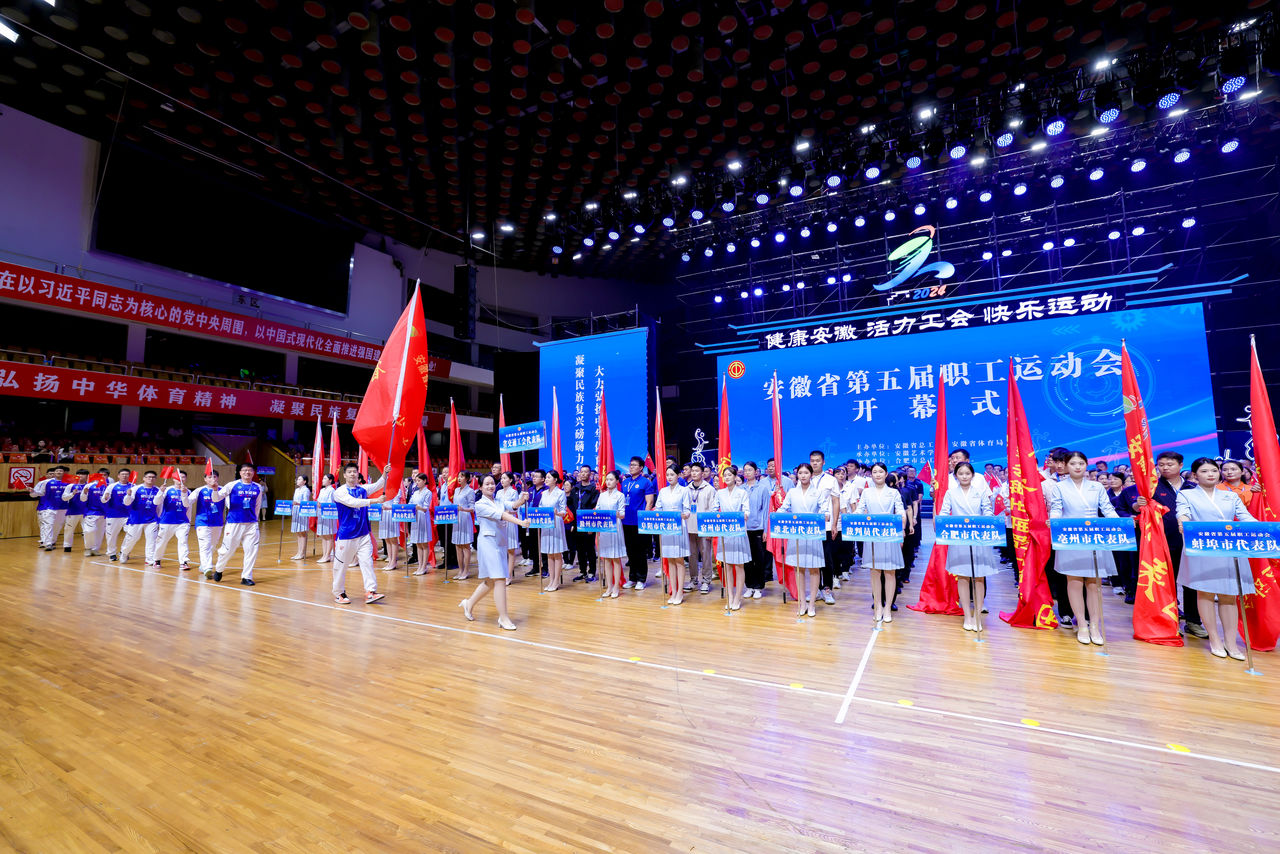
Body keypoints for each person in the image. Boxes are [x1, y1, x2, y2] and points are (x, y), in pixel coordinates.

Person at [1176, 457, 1257, 660]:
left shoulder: (1229, 495)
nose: (1210, 474)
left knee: (1229, 595)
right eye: (1204, 471)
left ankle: (1231, 643)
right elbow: (1183, 514)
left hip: (1229, 548)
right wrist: (1183, 523)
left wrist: (1263, 528)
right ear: (1195, 475)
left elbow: (1245, 517)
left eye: (1213, 470)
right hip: (1203, 548)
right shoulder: (1186, 494)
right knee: (1205, 594)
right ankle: (1214, 639)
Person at [1122, 451, 1205, 638]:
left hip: (1190, 542)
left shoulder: (1193, 487)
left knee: (1191, 583)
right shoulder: (1151, 487)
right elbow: (1137, 507)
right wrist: (1138, 504)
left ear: (1181, 465)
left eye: (1170, 464)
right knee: (1166, 583)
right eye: (1161, 465)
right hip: (1163, 543)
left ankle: (1193, 621)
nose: (1165, 468)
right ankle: (1169, 622)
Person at [1049, 451, 1120, 646]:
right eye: (1073, 463)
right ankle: (1081, 624)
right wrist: (1054, 522)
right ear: (1066, 466)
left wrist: (1118, 523)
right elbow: (1056, 509)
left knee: (1093, 584)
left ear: (1086, 465)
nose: (1077, 467)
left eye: (1081, 463)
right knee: (1074, 582)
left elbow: (1107, 509)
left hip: (1094, 537)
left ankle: (1094, 625)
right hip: (1071, 537)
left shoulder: (1096, 486)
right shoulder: (1059, 487)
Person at [460, 474, 531, 630]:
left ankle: (469, 603)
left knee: (490, 581)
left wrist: (522, 499)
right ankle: (503, 618)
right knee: (499, 579)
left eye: (492, 483)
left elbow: (512, 505)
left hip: (500, 543)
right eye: (487, 484)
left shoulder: (498, 500)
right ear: (480, 487)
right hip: (488, 544)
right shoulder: (480, 504)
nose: (491, 486)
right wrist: (520, 522)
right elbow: (502, 515)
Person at [937, 462, 1000, 633]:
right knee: (963, 577)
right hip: (959, 539)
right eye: (961, 473)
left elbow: (988, 512)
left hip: (979, 539)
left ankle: (978, 615)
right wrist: (940, 521)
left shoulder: (980, 492)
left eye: (967, 473)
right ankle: (967, 616)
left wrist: (987, 521)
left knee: (979, 577)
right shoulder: (950, 493)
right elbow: (944, 512)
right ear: (956, 476)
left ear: (972, 475)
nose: (964, 476)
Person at [855, 463, 910, 623]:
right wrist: (852, 517)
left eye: (881, 471)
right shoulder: (866, 492)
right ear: (871, 474)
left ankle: (887, 608)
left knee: (890, 572)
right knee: (875, 571)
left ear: (886, 474)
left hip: (890, 535)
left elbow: (900, 511)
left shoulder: (893, 492)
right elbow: (860, 510)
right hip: (872, 536)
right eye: (874, 472)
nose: (878, 474)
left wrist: (902, 524)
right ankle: (878, 606)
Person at [330, 463, 388, 604]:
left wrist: (385, 473)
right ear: (344, 475)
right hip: (346, 535)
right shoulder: (339, 492)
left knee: (367, 563)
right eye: (349, 472)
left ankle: (370, 591)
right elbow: (353, 502)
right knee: (341, 566)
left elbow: (378, 485)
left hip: (363, 534)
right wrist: (375, 500)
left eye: (354, 471)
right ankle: (339, 593)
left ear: (358, 474)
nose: (352, 474)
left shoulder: (362, 489)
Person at [779, 463, 826, 618]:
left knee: (814, 569)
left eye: (806, 473)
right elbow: (784, 508)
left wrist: (825, 516)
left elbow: (825, 510)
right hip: (797, 534)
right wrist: (777, 514)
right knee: (799, 568)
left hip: (813, 534)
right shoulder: (792, 492)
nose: (803, 475)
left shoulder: (817, 492)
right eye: (800, 473)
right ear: (797, 475)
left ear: (811, 474)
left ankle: (811, 604)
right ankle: (802, 603)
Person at [214, 464, 265, 585]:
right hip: (234, 523)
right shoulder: (232, 485)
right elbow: (216, 499)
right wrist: (215, 490)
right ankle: (219, 569)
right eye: (245, 470)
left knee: (251, 550)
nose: (247, 472)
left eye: (250, 470)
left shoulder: (258, 487)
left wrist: (255, 520)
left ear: (253, 473)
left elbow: (257, 505)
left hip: (251, 524)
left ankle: (246, 577)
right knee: (227, 550)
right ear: (240, 472)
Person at [713, 465, 751, 611]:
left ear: (735, 477)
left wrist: (744, 515)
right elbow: (714, 510)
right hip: (725, 533)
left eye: (730, 475)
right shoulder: (720, 493)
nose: (727, 477)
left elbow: (746, 511)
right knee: (727, 565)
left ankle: (737, 598)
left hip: (738, 532)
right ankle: (730, 596)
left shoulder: (742, 493)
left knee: (739, 566)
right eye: (725, 475)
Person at [654, 464, 692, 604]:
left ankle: (680, 592)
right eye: (667, 475)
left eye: (672, 474)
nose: (669, 477)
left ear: (678, 475)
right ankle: (674, 591)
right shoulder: (663, 491)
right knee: (670, 560)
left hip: (679, 527)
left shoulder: (684, 490)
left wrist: (681, 515)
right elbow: (658, 508)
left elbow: (687, 511)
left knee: (679, 561)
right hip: (666, 528)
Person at [808, 450, 841, 606]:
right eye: (812, 460)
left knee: (827, 558)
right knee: (813, 558)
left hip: (826, 525)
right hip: (809, 527)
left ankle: (827, 589)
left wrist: (834, 524)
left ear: (823, 462)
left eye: (817, 460)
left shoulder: (830, 480)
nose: (815, 463)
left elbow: (835, 501)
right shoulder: (805, 478)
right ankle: (815, 590)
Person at [620, 456, 657, 590]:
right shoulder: (625, 482)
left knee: (640, 551)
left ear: (641, 468)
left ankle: (641, 579)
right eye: (630, 465)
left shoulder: (646, 482)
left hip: (639, 521)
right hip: (626, 521)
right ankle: (632, 578)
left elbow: (649, 502)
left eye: (634, 465)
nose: (631, 467)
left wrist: (644, 518)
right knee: (630, 550)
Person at [187, 468, 226, 579]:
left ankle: (203, 565)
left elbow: (229, 504)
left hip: (217, 522)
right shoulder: (199, 490)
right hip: (202, 522)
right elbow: (188, 502)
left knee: (212, 545)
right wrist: (184, 495)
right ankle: (207, 568)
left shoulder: (223, 490)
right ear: (205, 479)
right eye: (209, 477)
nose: (212, 479)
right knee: (205, 545)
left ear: (218, 478)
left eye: (214, 476)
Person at [595, 470, 628, 598]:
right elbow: (597, 510)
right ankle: (609, 586)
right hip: (604, 528)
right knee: (606, 559)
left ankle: (616, 587)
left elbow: (622, 514)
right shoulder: (602, 495)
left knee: (615, 558)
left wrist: (613, 513)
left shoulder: (620, 495)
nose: (608, 482)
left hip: (615, 528)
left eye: (611, 479)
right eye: (607, 479)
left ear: (617, 481)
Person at [741, 461, 771, 599]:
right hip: (744, 529)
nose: (747, 472)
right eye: (745, 470)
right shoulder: (741, 489)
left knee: (759, 559)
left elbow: (766, 510)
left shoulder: (762, 488)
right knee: (746, 559)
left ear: (756, 471)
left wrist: (765, 530)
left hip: (758, 528)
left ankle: (758, 587)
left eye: (750, 470)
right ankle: (749, 586)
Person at [1105, 472, 1136, 604]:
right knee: (1125, 561)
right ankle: (1127, 588)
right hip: (1122, 532)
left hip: (1142, 532)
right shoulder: (1121, 495)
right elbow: (1119, 510)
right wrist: (1128, 517)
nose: (1132, 483)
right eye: (1130, 480)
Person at [684, 462, 715, 593]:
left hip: (704, 528)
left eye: (697, 471)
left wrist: (710, 530)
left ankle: (706, 581)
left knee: (706, 555)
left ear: (702, 473)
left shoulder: (709, 489)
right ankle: (693, 580)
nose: (694, 473)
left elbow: (712, 510)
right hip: (689, 526)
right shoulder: (686, 489)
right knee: (692, 555)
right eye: (692, 471)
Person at [153, 471, 192, 570]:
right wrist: (160, 492)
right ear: (174, 479)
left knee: (183, 541)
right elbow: (156, 502)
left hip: (182, 522)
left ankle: (183, 562)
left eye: (183, 477)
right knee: (161, 542)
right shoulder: (167, 490)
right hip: (167, 521)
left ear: (186, 479)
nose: (180, 479)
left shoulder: (188, 491)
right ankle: (157, 560)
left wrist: (184, 494)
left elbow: (187, 505)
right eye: (178, 477)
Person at [119, 471, 161, 567]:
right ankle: (124, 553)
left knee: (152, 539)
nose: (151, 479)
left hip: (151, 519)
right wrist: (128, 495)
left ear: (155, 479)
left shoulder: (158, 490)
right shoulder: (135, 489)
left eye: (153, 477)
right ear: (144, 478)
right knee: (132, 539)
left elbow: (159, 505)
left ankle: (149, 559)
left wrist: (158, 517)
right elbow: (126, 503)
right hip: (136, 519)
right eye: (149, 477)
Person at [538, 470, 570, 591]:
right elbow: (540, 508)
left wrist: (557, 513)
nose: (546, 479)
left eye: (549, 477)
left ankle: (556, 581)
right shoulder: (544, 493)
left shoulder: (560, 493)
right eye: (546, 477)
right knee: (549, 553)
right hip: (546, 523)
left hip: (556, 522)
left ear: (555, 480)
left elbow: (563, 511)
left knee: (556, 553)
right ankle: (551, 580)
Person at [568, 465, 599, 583]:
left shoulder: (594, 489)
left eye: (586, 472)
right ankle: (582, 571)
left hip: (588, 522)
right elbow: (571, 506)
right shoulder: (576, 488)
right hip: (577, 523)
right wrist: (572, 523)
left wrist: (592, 526)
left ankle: (592, 572)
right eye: (581, 472)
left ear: (590, 474)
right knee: (579, 549)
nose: (583, 474)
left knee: (589, 548)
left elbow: (595, 507)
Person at [29, 465, 69, 551]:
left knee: (57, 526)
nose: (59, 472)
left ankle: (52, 541)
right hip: (48, 507)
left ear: (64, 473)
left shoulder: (68, 483)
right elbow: (40, 493)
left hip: (63, 508)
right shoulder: (46, 482)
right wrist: (33, 492)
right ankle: (47, 543)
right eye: (57, 471)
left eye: (61, 471)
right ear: (54, 473)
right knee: (48, 525)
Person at [497, 471, 524, 579]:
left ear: (511, 480)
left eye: (504, 478)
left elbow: (515, 508)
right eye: (501, 478)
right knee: (501, 549)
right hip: (500, 521)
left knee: (510, 549)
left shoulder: (513, 492)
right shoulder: (498, 492)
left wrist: (506, 513)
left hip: (510, 522)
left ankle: (509, 576)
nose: (502, 480)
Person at [78, 467, 112, 556]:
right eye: (101, 475)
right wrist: (85, 493)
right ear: (97, 475)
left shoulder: (109, 487)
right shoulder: (89, 485)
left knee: (100, 533)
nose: (103, 476)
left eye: (105, 475)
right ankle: (88, 548)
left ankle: (95, 549)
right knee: (89, 531)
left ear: (107, 476)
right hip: (91, 512)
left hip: (104, 513)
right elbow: (82, 499)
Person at [101, 469, 133, 560]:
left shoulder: (133, 486)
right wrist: (105, 497)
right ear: (118, 476)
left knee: (131, 534)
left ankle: (124, 552)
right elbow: (103, 500)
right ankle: (112, 553)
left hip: (128, 515)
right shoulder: (112, 486)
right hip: (113, 515)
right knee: (111, 535)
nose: (124, 476)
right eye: (122, 474)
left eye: (126, 474)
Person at [450, 472, 477, 580]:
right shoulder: (456, 490)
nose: (459, 478)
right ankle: (460, 570)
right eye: (458, 476)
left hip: (465, 518)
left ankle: (466, 570)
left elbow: (472, 508)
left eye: (461, 476)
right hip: (456, 519)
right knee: (458, 546)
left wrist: (463, 509)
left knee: (465, 546)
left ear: (467, 478)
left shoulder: (470, 491)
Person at [58, 469, 90, 553]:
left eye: (83, 474)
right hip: (73, 511)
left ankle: (88, 547)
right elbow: (64, 498)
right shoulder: (70, 486)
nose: (80, 476)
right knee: (69, 529)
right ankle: (67, 546)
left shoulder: (89, 486)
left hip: (87, 512)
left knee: (88, 530)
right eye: (78, 474)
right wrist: (72, 494)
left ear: (87, 476)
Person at [409, 473, 435, 576]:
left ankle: (424, 566)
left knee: (424, 543)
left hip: (423, 518)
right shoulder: (415, 493)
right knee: (418, 543)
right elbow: (410, 503)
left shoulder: (428, 492)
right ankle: (420, 566)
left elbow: (425, 508)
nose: (417, 482)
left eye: (419, 480)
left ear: (424, 481)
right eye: (416, 481)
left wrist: (418, 507)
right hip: (415, 518)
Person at [435, 465, 458, 571]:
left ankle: (453, 561)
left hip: (451, 516)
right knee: (444, 540)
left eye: (446, 472)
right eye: (443, 472)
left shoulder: (453, 486)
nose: (444, 474)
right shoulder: (442, 486)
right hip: (441, 516)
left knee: (450, 540)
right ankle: (446, 561)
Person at [315, 473, 338, 564]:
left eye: (325, 478)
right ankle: (324, 555)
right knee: (323, 535)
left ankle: (328, 555)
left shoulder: (332, 490)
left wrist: (321, 505)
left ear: (330, 480)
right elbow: (318, 501)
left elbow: (330, 503)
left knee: (328, 535)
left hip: (328, 515)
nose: (323, 480)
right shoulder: (322, 490)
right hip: (321, 514)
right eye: (323, 478)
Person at [289, 475, 311, 560]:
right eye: (297, 479)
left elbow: (306, 502)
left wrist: (297, 503)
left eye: (299, 479)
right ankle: (299, 552)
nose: (297, 480)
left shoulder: (306, 490)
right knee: (298, 533)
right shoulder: (297, 490)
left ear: (304, 481)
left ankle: (302, 553)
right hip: (296, 511)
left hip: (302, 512)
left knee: (302, 532)